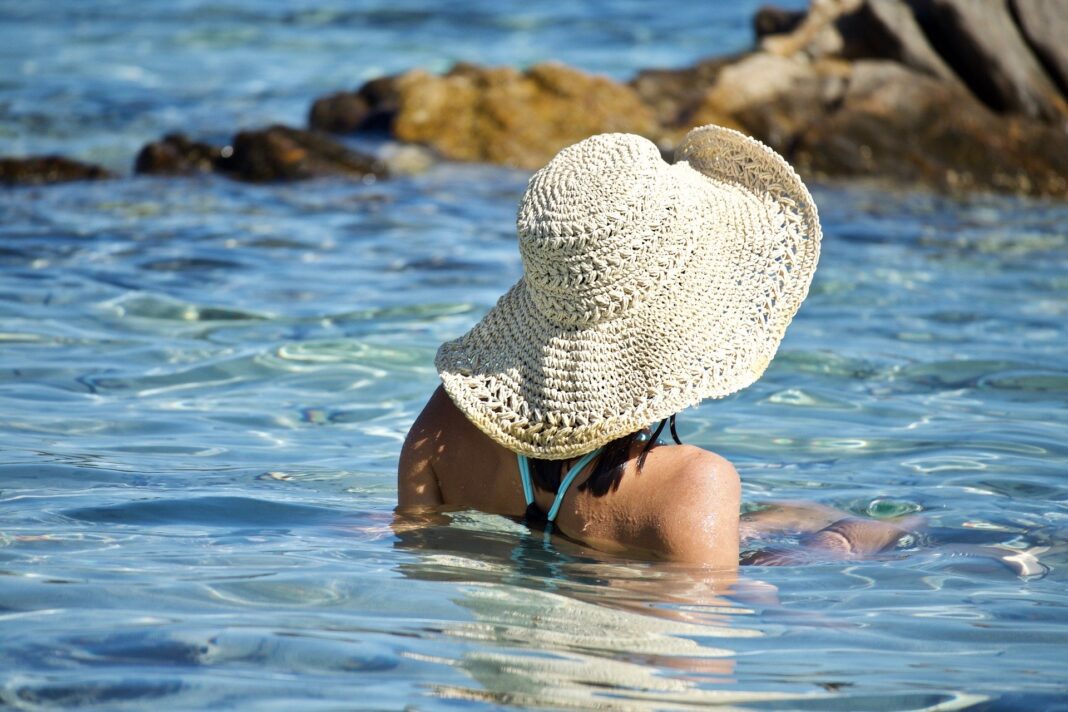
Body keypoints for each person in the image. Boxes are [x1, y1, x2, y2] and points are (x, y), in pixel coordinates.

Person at [398, 125, 911, 568]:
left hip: (501, 666)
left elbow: (416, 547)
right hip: (616, 671)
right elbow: (703, 650)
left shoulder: (442, 427)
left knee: (802, 515)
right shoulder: (695, 483)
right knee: (886, 531)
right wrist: (828, 550)